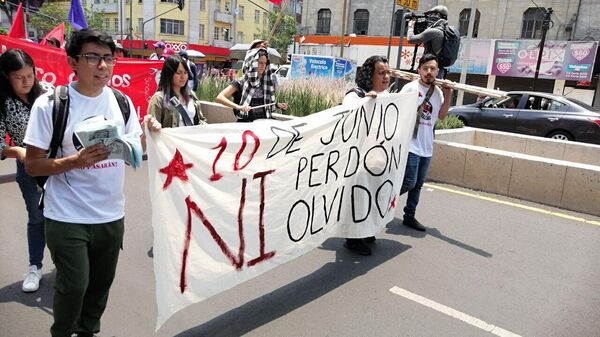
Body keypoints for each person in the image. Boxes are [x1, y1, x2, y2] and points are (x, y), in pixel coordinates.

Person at [24, 28, 144, 337]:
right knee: (74, 285)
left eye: (108, 58)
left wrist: (137, 145)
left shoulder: (122, 102)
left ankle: (88, 330)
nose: (103, 65)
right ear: (72, 62)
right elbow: (33, 165)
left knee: (99, 288)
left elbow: (134, 148)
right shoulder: (50, 105)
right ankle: (61, 332)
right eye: (93, 57)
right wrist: (74, 161)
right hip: (66, 215)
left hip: (110, 215)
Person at [0, 49, 47, 292]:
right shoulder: (3, 103)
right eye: (20, 77)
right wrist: (18, 152)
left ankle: (68, 262)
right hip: (28, 167)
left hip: (59, 164)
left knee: (65, 214)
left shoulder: (48, 94)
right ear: (7, 76)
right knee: (37, 217)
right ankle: (35, 268)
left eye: (30, 75)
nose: (27, 81)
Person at [341, 55, 391, 255]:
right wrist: (365, 104)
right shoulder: (354, 96)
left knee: (372, 196)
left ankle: (366, 229)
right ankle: (352, 239)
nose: (386, 77)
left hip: (375, 159)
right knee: (359, 197)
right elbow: (348, 121)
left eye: (388, 72)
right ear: (369, 75)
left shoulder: (387, 96)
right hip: (357, 160)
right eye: (381, 73)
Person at [399, 53, 452, 232]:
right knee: (409, 182)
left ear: (437, 71)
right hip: (410, 144)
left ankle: (409, 216)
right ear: (419, 70)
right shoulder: (409, 88)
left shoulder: (437, 92)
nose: (429, 72)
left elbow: (442, 116)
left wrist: (448, 94)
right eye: (426, 68)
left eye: (433, 69)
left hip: (426, 145)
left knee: (419, 184)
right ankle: (382, 201)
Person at [215, 49, 288, 122]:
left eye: (265, 63)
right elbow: (219, 97)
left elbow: (263, 104)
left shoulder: (266, 83)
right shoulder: (240, 82)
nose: (263, 66)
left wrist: (277, 105)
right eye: (260, 63)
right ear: (252, 63)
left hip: (264, 122)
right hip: (247, 124)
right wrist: (239, 107)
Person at [145, 55, 206, 131]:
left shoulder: (191, 95)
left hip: (190, 141)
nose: (183, 76)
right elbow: (152, 128)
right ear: (169, 74)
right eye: (179, 73)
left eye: (185, 72)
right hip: (171, 142)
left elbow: (200, 120)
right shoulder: (158, 99)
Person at [406, 5, 449, 79]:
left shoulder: (434, 31)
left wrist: (410, 27)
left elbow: (411, 39)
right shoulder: (443, 29)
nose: (429, 17)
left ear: (438, 15)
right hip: (438, 70)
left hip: (431, 71)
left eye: (431, 14)